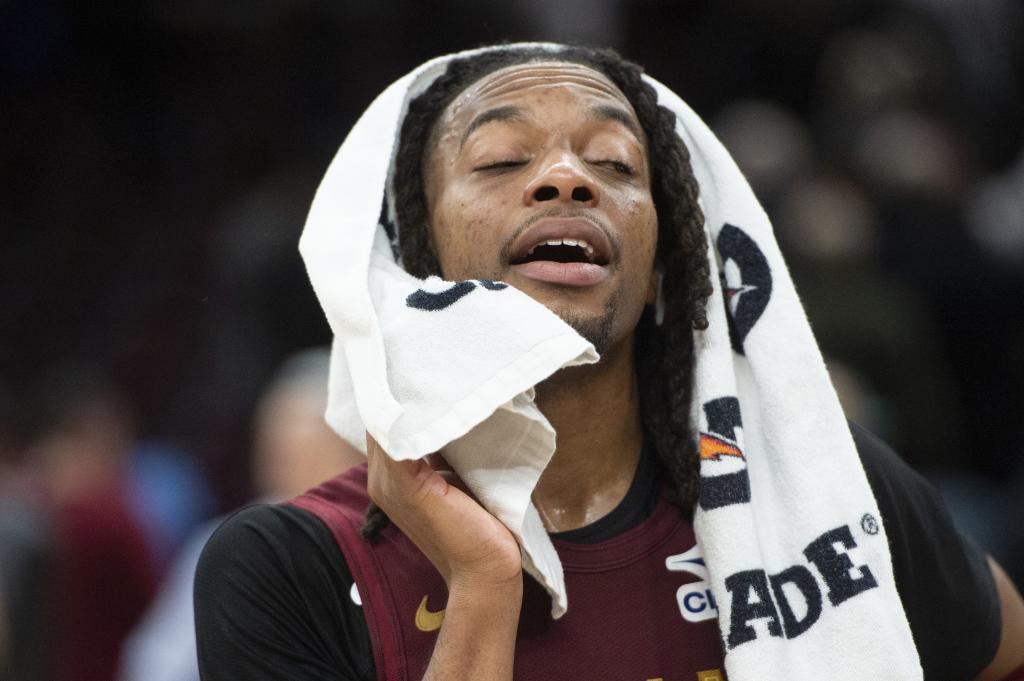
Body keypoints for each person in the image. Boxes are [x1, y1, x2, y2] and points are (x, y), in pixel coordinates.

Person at [195, 45, 1024, 680]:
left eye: (615, 164)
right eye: (500, 161)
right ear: (419, 252)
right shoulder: (288, 567)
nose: (566, 178)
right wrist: (483, 585)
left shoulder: (820, 490)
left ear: (668, 257)